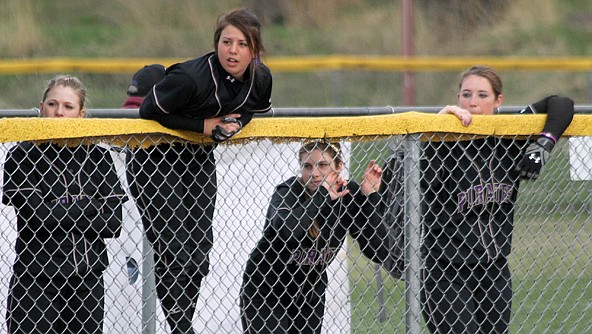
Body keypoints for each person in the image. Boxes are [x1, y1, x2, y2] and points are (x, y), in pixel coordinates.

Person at [128, 7, 272, 333]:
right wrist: (203, 124)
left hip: (197, 157)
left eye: (242, 44)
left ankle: (182, 324)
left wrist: (237, 122)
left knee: (199, 252)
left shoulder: (261, 78)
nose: (232, 50)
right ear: (216, 43)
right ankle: (182, 329)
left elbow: (251, 108)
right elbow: (148, 109)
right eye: (226, 41)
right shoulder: (192, 77)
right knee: (177, 248)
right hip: (155, 157)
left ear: (255, 51)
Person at [419, 65, 575, 333]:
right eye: (466, 95)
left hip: (494, 270)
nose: (473, 103)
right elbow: (424, 180)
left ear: (498, 101)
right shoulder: (443, 137)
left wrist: (543, 145)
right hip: (445, 270)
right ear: (457, 99)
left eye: (482, 95)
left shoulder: (508, 135)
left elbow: (561, 103)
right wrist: (436, 128)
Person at [2, 75, 127, 334]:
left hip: (87, 279)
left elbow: (113, 224)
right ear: (41, 108)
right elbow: (39, 219)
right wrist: (90, 204)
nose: (59, 113)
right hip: (36, 278)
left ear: (81, 114)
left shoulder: (98, 156)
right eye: (52, 104)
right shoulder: (23, 154)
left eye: (68, 107)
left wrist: (58, 212)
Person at [240, 140, 389, 334]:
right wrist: (323, 196)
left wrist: (369, 197)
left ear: (339, 167)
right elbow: (287, 231)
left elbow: (379, 251)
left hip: (309, 297)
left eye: (323, 165)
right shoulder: (287, 192)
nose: (315, 173)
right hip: (267, 292)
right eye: (307, 166)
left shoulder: (347, 195)